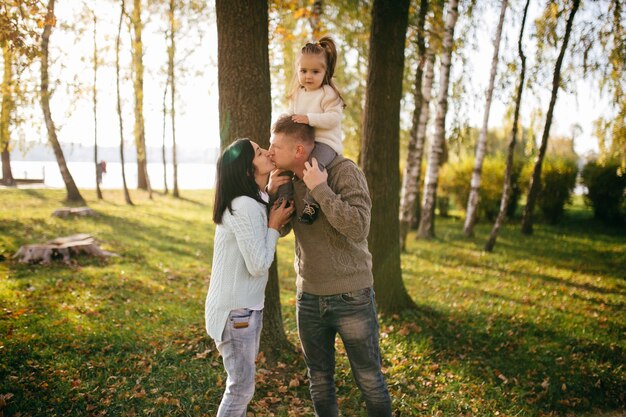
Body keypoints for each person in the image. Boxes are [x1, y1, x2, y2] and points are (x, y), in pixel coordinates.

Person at [268, 115, 392, 417]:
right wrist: (269, 194)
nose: (270, 153)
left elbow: (359, 227)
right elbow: (280, 229)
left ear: (299, 151)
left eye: (275, 147)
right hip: (308, 298)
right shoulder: (287, 182)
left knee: (369, 380)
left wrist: (320, 189)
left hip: (352, 296)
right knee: (319, 381)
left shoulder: (344, 171)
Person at [205, 138, 293, 417]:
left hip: (244, 310)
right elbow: (258, 264)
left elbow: (254, 221)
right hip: (236, 314)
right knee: (241, 388)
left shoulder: (249, 202)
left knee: (242, 386)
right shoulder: (244, 206)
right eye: (258, 152)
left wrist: (267, 192)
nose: (267, 151)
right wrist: (274, 226)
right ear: (246, 169)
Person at [276, 36, 345, 225]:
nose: (308, 76)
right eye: (303, 71)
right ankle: (284, 200)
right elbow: (291, 115)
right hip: (304, 143)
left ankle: (311, 204)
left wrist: (309, 118)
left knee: (313, 166)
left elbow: (334, 118)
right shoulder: (297, 94)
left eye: (315, 71)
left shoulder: (327, 94)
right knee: (284, 165)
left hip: (325, 143)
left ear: (325, 71)